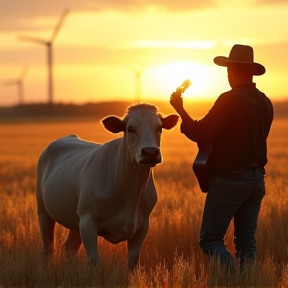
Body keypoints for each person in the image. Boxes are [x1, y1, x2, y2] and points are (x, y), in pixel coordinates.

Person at [169, 44, 273, 269]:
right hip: (257, 181)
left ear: (234, 71)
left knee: (210, 240)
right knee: (246, 243)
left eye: (228, 71)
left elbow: (201, 132)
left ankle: (234, 278)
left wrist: (180, 110)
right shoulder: (265, 102)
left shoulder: (230, 99)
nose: (227, 76)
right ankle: (247, 284)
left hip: (230, 181)